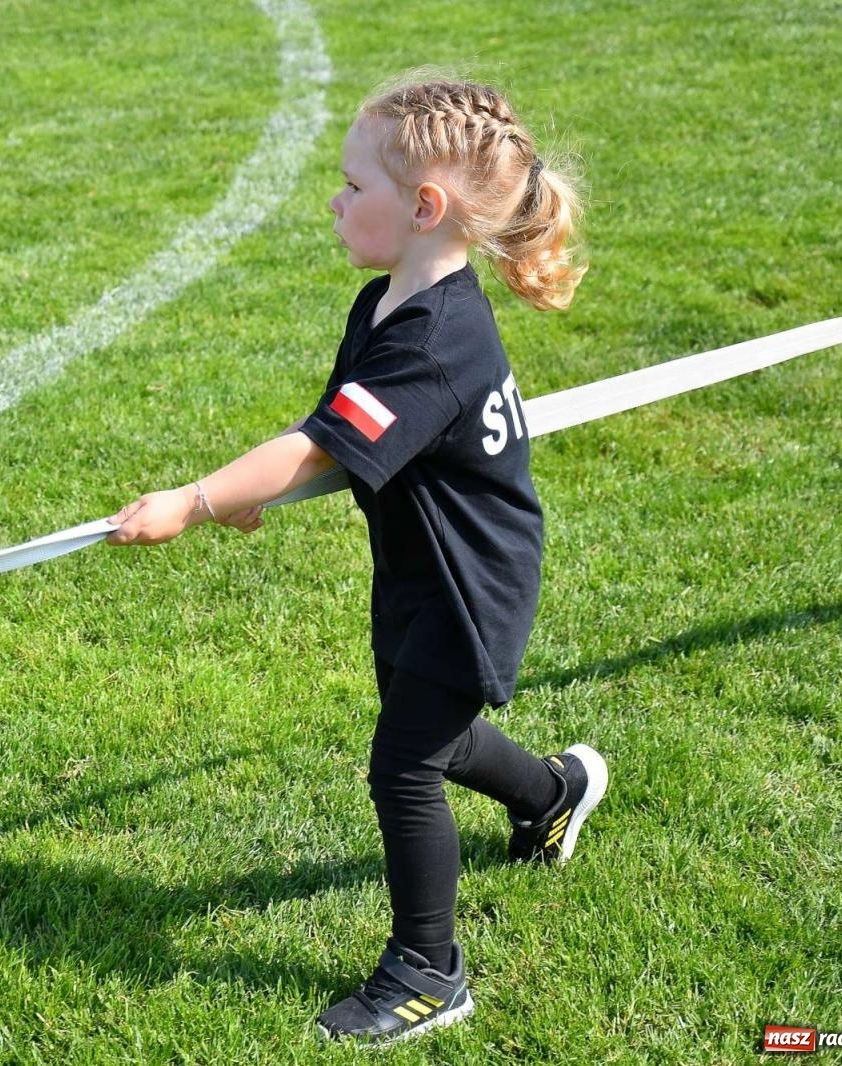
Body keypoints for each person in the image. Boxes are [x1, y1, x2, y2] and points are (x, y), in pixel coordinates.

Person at [104, 75, 608, 1046]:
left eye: (350, 185)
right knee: (440, 735)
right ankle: (554, 794)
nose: (334, 202)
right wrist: (253, 496)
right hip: (421, 569)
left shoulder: (436, 339)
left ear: (423, 209)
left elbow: (325, 443)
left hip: (471, 588)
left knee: (406, 762)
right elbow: (331, 434)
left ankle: (429, 970)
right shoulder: (386, 304)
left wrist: (198, 500)